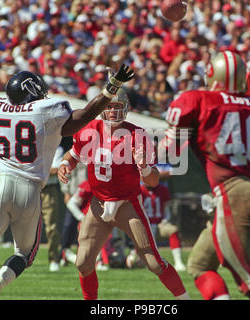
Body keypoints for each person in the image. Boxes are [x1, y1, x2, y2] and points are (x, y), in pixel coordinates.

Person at [0, 63, 135, 300]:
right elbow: (85, 116)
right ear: (31, 90)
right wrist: (112, 87)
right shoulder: (47, 108)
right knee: (24, 254)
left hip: (2, 184)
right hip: (32, 188)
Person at [160, 50, 250, 300]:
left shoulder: (197, 100)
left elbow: (170, 150)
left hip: (231, 194)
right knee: (200, 265)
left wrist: (147, 158)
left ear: (213, 75)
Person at [58, 88, 190, 300]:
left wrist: (145, 168)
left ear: (126, 109)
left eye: (117, 107)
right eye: (108, 106)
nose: (112, 111)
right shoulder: (89, 129)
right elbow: (73, 155)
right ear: (101, 108)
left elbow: (154, 181)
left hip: (127, 204)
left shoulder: (137, 134)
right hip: (98, 203)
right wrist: (65, 163)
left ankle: (184, 298)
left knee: (154, 262)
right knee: (83, 262)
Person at [139, 182, 186, 271]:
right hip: (143, 227)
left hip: (159, 225)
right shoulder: (137, 189)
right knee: (135, 262)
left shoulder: (163, 190)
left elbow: (166, 209)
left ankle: (178, 262)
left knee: (173, 230)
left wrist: (165, 220)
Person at [41, 145, 64, 272]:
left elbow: (56, 169)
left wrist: (37, 170)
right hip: (31, 188)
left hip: (49, 190)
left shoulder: (56, 148)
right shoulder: (32, 143)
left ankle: (54, 259)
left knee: (51, 226)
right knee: (24, 225)